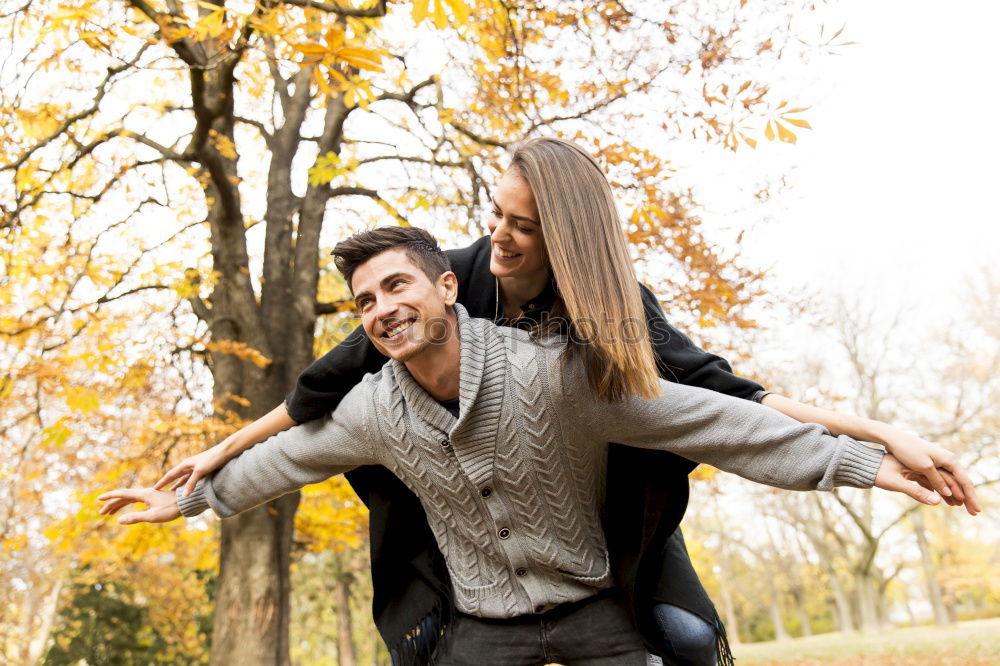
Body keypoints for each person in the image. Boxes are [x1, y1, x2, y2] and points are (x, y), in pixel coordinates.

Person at [149, 139, 978, 665]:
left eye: (525, 226)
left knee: (686, 638)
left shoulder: (610, 320)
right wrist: (213, 461)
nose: (501, 239)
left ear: (567, 236)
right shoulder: (449, 281)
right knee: (422, 634)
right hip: (453, 518)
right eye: (497, 217)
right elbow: (313, 403)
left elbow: (724, 403)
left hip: (597, 504)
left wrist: (875, 440)